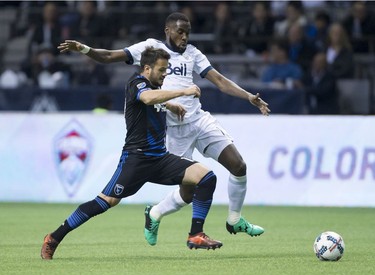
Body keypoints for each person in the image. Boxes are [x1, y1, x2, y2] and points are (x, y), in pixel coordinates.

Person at [58, 12, 270, 247]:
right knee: (188, 193)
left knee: (238, 165)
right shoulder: (150, 48)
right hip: (173, 129)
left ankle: (233, 220)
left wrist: (249, 96)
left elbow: (219, 81)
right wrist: (84, 49)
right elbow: (109, 56)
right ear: (167, 30)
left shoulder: (193, 54)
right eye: (180, 32)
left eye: (188, 32)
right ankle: (155, 213)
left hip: (198, 120)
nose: (185, 37)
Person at [41, 47, 223, 260]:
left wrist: (170, 105)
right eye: (162, 70)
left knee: (206, 177)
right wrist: (182, 92)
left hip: (160, 159)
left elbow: (153, 100)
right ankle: (54, 237)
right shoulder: (136, 83)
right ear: (147, 68)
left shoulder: (153, 88)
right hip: (136, 160)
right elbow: (146, 98)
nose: (165, 74)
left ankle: (196, 235)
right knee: (103, 203)